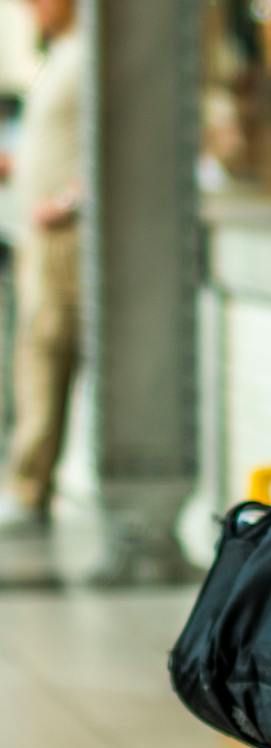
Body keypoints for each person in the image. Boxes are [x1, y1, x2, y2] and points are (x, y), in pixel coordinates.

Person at [0, 0, 83, 537]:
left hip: (65, 238)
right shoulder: (58, 56)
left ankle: (30, 487)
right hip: (38, 235)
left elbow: (120, 144)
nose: (30, 9)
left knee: (44, 352)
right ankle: (28, 484)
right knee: (35, 351)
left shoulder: (90, 59)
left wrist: (72, 201)